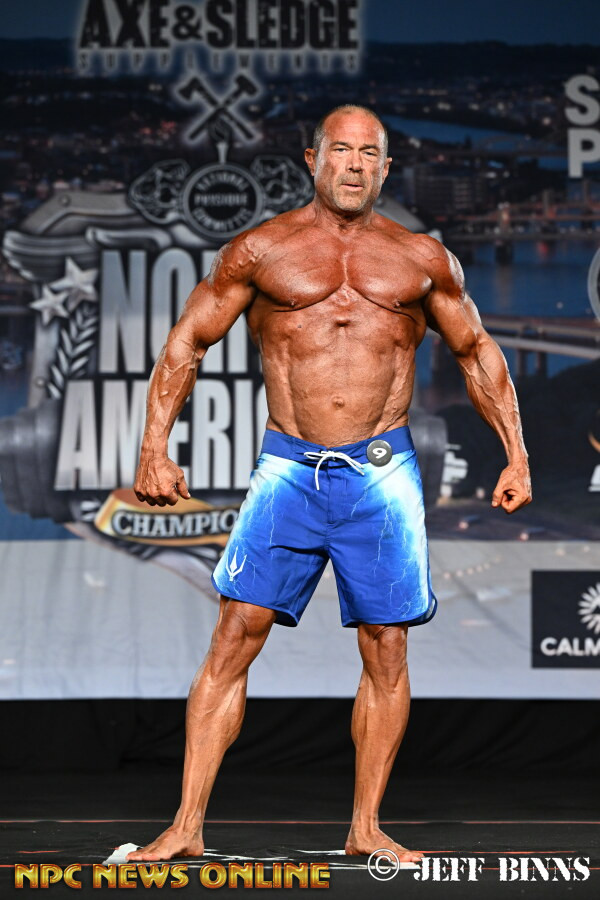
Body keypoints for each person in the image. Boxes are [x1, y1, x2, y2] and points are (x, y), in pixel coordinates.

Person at [129, 105, 531, 863]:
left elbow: (477, 351)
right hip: (289, 470)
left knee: (387, 648)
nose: (353, 164)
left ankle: (365, 827)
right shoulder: (261, 249)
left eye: (368, 153)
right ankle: (185, 825)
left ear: (386, 167)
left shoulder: (422, 257)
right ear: (312, 159)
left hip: (381, 476)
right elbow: (188, 339)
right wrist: (154, 447)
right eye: (340, 150)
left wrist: (517, 454)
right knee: (235, 635)